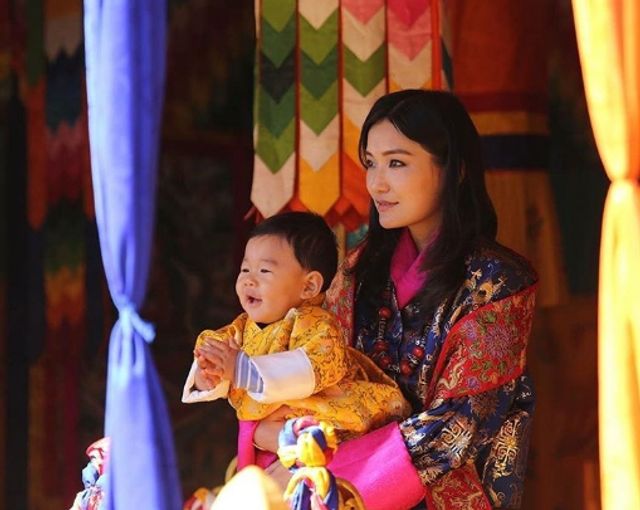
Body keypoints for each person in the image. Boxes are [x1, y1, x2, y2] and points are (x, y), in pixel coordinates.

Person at [244, 90, 538, 510]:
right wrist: (269, 433)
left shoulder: (498, 284)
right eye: (371, 163)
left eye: (396, 163)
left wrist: (328, 477)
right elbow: (325, 377)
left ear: (455, 170)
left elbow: (454, 429)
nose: (377, 183)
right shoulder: (358, 271)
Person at [182, 212, 410, 444]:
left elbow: (310, 368)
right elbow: (218, 359)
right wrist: (208, 374)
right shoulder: (240, 328)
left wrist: (241, 368)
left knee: (290, 438)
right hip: (276, 422)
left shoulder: (316, 324)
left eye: (264, 271)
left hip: (327, 415)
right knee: (260, 437)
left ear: (309, 286)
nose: (249, 280)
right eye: (245, 270)